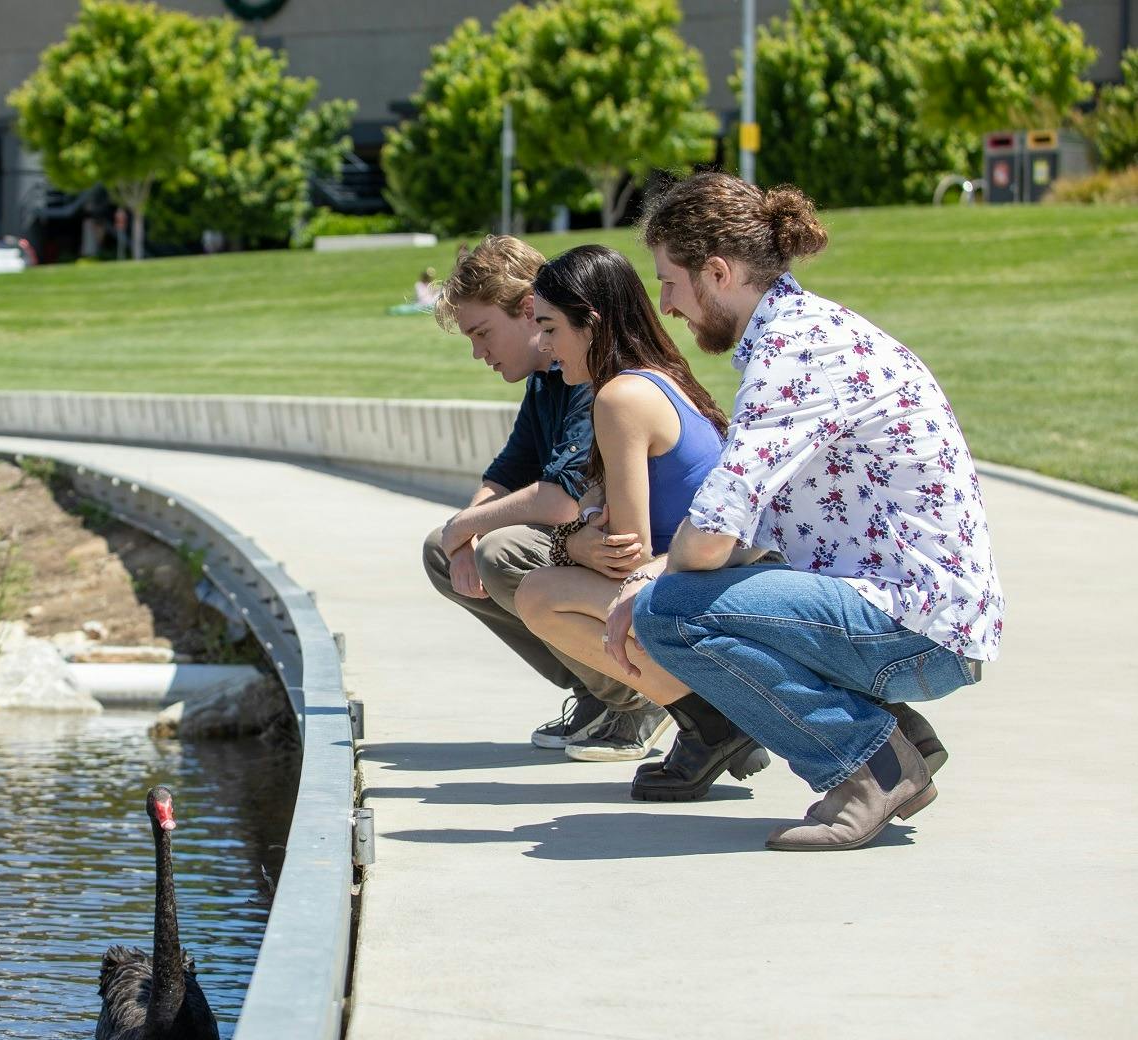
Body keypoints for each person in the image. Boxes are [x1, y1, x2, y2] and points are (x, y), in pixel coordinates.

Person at [600, 171, 1000, 851]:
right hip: (917, 613)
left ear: (717, 272)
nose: (665, 305)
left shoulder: (796, 352)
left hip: (916, 625)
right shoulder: (802, 334)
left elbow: (714, 532)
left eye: (668, 281)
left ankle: (867, 766)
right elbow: (739, 527)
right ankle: (898, 741)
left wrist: (645, 584)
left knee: (669, 614)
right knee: (673, 595)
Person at [510, 245, 749, 777]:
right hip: (718, 576)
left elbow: (628, 553)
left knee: (540, 593)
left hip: (701, 591)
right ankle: (710, 718)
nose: (544, 347)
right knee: (547, 581)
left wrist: (568, 541)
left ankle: (712, 721)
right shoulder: (658, 375)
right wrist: (581, 529)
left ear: (591, 324)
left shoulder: (620, 397)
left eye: (550, 328)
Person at [423, 236, 668, 752]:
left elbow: (561, 500)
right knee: (443, 552)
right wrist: (457, 537)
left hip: (652, 567)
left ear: (529, 310)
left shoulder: (592, 377)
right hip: (600, 554)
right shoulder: (545, 381)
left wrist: (467, 528)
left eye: (482, 332)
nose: (477, 352)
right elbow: (507, 474)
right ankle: (595, 688)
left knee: (499, 550)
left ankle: (635, 696)